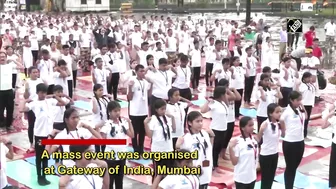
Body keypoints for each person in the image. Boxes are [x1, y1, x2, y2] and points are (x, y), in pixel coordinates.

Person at [21, 83, 67, 185]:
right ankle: (39, 177)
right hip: (39, 134)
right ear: (37, 93)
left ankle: (44, 176)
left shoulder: (50, 102)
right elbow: (22, 109)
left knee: (45, 157)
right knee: (39, 157)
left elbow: (63, 103)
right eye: (41, 92)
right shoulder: (34, 104)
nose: (43, 94)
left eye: (45, 92)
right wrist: (24, 101)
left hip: (48, 134)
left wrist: (54, 96)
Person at [176, 111, 214, 189]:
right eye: (197, 121)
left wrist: (212, 136)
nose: (200, 123)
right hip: (194, 172)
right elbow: (181, 159)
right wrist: (177, 147)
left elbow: (209, 149)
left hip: (206, 170)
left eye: (201, 121)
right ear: (190, 123)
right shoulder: (186, 138)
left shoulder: (205, 134)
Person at [200, 86, 235, 174]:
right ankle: (213, 167)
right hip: (216, 129)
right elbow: (203, 111)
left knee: (218, 148)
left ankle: (215, 165)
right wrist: (208, 101)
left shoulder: (223, 103)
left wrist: (226, 93)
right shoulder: (214, 103)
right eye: (225, 94)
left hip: (223, 129)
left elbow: (229, 102)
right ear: (221, 95)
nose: (226, 95)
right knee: (214, 149)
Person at [100, 101, 134, 189]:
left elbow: (132, 135)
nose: (117, 113)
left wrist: (129, 123)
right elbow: (101, 140)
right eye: (115, 111)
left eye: (119, 110)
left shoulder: (123, 123)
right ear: (109, 112)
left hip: (122, 155)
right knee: (110, 180)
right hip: (110, 156)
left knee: (120, 181)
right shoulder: (107, 124)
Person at [144, 99, 176, 182]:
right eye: (162, 109)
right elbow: (150, 135)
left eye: (165, 108)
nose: (164, 111)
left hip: (169, 149)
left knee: (169, 172)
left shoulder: (167, 118)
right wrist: (145, 124)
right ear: (156, 110)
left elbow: (174, 129)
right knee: (158, 173)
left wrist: (172, 118)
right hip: (158, 150)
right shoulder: (153, 119)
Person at [280, 91, 306, 189]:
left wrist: (302, 107)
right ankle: (288, 187)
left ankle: (290, 185)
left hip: (300, 141)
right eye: (298, 100)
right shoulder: (287, 111)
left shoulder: (298, 110)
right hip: (290, 142)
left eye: (300, 100)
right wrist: (284, 132)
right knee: (290, 167)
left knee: (294, 166)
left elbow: (306, 117)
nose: (300, 102)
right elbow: (281, 120)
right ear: (291, 100)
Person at [128, 64, 152, 155]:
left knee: (142, 132)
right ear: (136, 72)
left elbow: (149, 95)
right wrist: (130, 87)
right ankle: (135, 149)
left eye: (143, 71)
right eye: (141, 71)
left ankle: (141, 149)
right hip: (134, 111)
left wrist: (152, 83)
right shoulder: (132, 81)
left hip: (144, 111)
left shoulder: (145, 82)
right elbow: (129, 98)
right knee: (134, 132)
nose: (143, 73)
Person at [257, 103, 283, 189]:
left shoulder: (278, 124)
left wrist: (283, 125)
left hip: (275, 153)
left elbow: (284, 135)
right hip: (265, 154)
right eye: (277, 112)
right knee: (265, 178)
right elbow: (258, 139)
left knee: (271, 177)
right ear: (271, 113)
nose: (279, 114)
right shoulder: (265, 124)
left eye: (280, 111)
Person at [229, 116, 258, 189]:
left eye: (253, 125)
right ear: (242, 128)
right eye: (249, 125)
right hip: (241, 178)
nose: (252, 127)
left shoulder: (253, 140)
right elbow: (234, 162)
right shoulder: (238, 142)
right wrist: (230, 148)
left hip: (252, 177)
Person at [294, 72, 316, 140]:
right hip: (304, 104)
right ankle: (301, 135)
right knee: (303, 120)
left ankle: (304, 135)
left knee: (307, 120)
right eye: (308, 77)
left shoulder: (311, 85)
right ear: (304, 78)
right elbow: (297, 93)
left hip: (310, 104)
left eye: (310, 77)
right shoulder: (302, 85)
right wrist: (297, 86)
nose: (310, 79)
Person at [321, 103, 336, 189]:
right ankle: (333, 185)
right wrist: (328, 116)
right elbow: (323, 126)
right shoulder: (334, 118)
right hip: (335, 144)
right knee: (334, 166)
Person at [0, 51, 14, 130]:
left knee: (10, 108)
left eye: (3, 57)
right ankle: (1, 125)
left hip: (9, 90)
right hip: (0, 91)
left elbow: (22, 66)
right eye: (0, 57)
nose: (2, 58)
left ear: (6, 58)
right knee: (0, 109)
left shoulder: (10, 66)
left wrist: (13, 60)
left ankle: (9, 124)